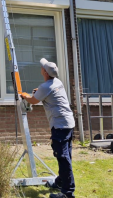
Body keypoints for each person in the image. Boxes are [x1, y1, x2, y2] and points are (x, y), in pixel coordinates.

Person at [20, 58, 75, 198]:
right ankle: (60, 182)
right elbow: (48, 91)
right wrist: (38, 91)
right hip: (68, 123)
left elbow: (33, 100)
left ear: (44, 72)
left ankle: (67, 193)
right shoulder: (57, 82)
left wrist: (25, 95)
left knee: (63, 157)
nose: (41, 68)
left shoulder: (46, 87)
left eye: (42, 67)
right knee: (66, 155)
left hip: (60, 126)